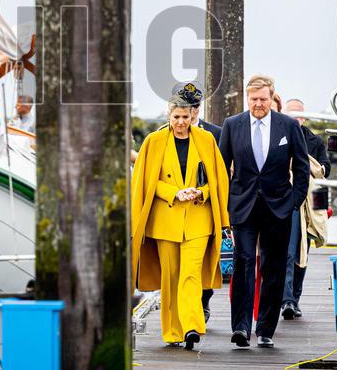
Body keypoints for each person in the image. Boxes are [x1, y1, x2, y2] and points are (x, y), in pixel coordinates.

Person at [131, 96, 230, 350]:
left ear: (192, 116)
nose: (181, 122)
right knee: (171, 277)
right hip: (165, 221)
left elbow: (219, 179)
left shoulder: (206, 140)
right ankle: (173, 331)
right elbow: (145, 181)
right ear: (169, 116)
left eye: (185, 117)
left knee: (190, 274)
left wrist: (202, 192)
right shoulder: (153, 142)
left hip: (198, 218)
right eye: (176, 117)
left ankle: (191, 327)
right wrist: (173, 192)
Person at [218, 75, 309, 349]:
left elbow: (302, 167)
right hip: (243, 207)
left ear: (272, 98)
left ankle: (266, 329)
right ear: (247, 98)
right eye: (253, 99)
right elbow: (222, 167)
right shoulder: (232, 125)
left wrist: (294, 200)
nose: (258, 104)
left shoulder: (288, 126)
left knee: (273, 267)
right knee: (244, 262)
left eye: (263, 99)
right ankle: (241, 328)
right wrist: (227, 203)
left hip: (279, 207)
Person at [171, 82, 223, 322]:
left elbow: (223, 174)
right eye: (183, 108)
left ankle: (202, 304)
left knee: (200, 265)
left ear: (198, 108)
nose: (188, 113)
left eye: (192, 107)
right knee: (177, 270)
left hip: (202, 210)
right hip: (173, 213)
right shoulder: (165, 132)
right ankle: (182, 318)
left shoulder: (215, 134)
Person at [281, 98, 329, 319]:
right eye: (291, 115)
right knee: (288, 252)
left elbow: (324, 168)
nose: (295, 119)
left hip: (307, 204)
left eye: (299, 115)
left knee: (303, 252)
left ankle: (295, 298)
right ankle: (287, 300)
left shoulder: (315, 141)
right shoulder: (279, 135)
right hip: (286, 201)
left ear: (305, 117)